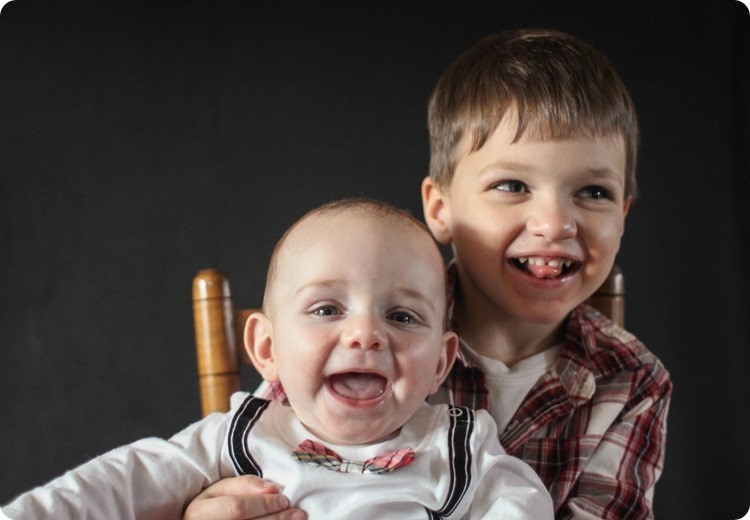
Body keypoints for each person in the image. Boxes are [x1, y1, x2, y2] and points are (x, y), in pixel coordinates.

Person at [185, 28, 672, 520]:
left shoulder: (631, 380)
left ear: (624, 214)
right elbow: (256, 466)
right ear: (441, 209)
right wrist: (216, 506)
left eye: (593, 192)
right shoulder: (366, 333)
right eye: (513, 185)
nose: (555, 224)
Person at [2, 198, 554, 519]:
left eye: (403, 317)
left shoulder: (458, 445)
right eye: (326, 309)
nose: (365, 334)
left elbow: (523, 505)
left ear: (441, 361)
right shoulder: (238, 438)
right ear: (266, 348)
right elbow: (118, 486)